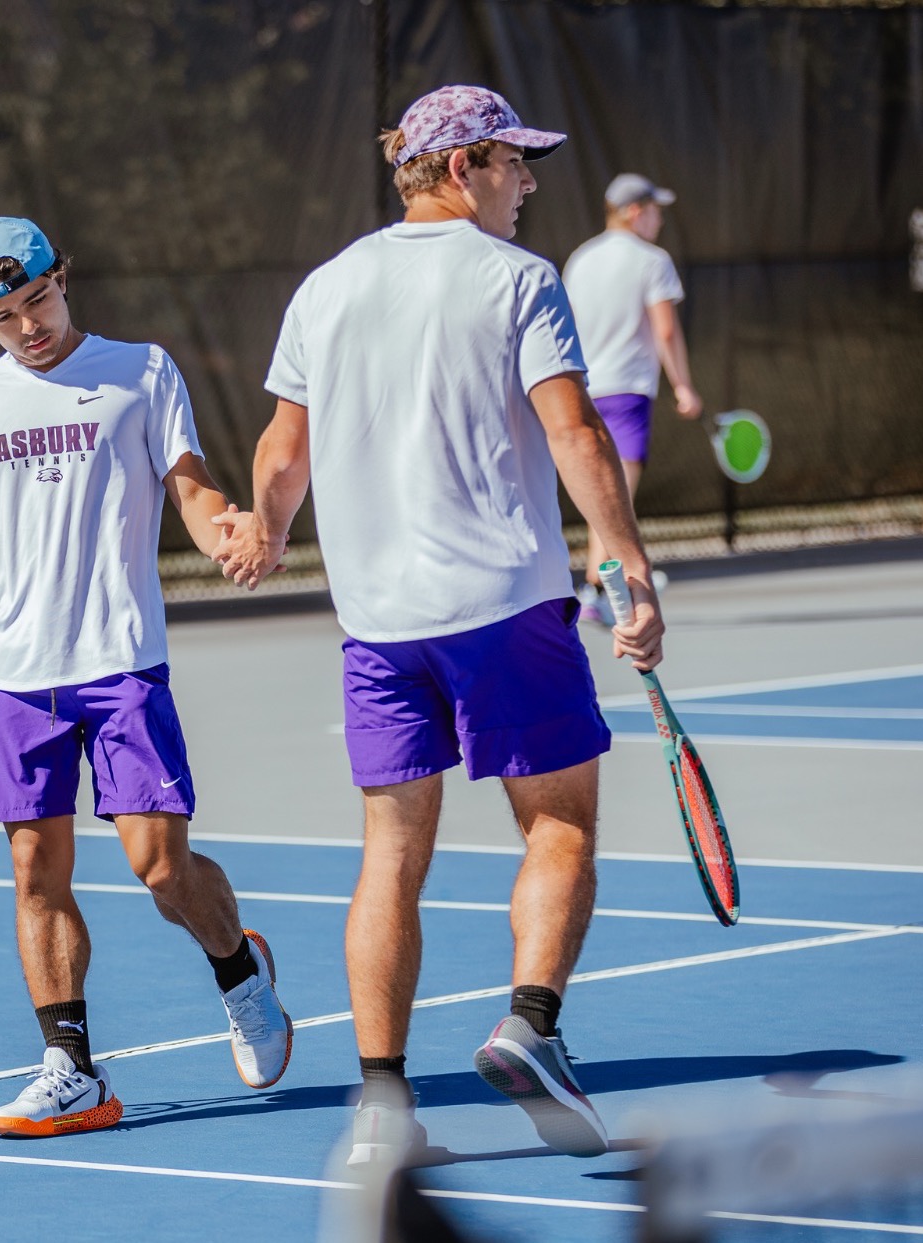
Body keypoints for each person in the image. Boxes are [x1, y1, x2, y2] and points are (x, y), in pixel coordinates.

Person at [212, 86, 665, 1163]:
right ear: (460, 167)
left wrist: (266, 533)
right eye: (513, 162)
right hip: (504, 607)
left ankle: (379, 1111)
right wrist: (627, 565)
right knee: (557, 828)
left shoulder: (324, 289)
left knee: (389, 855)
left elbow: (282, 452)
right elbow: (575, 436)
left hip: (377, 627)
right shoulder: (518, 280)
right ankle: (532, 1029)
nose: (528, 182)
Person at [0, 216, 294, 1139]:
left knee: (160, 868)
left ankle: (239, 969)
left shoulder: (142, 372)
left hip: (121, 663)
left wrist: (226, 529)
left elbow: (189, 490)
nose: (27, 325)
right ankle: (72, 1068)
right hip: (15, 676)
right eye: (2, 315)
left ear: (63, 279)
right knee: (36, 868)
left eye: (37, 300)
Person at [563, 173, 702, 622]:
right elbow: (665, 329)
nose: (660, 219)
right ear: (635, 213)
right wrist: (683, 386)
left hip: (581, 392)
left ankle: (591, 591)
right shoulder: (652, 260)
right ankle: (595, 591)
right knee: (615, 500)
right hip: (625, 394)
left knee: (601, 494)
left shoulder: (579, 260)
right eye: (656, 211)